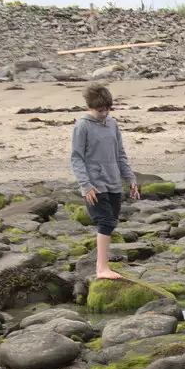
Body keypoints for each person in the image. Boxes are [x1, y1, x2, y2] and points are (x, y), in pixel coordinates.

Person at [69, 82, 138, 280]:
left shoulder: (113, 124)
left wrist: (130, 178)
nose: (104, 113)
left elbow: (120, 154)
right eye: (100, 110)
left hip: (113, 181)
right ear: (90, 107)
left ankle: (103, 266)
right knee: (105, 221)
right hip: (94, 185)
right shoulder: (82, 126)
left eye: (107, 109)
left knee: (113, 221)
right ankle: (101, 269)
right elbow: (76, 158)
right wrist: (86, 185)